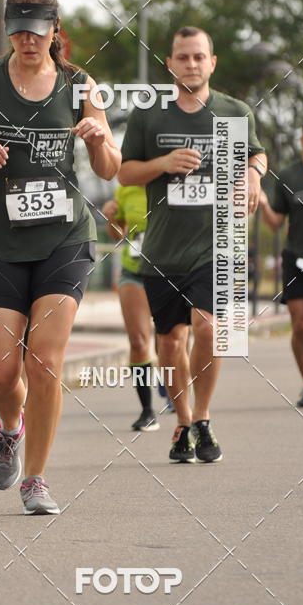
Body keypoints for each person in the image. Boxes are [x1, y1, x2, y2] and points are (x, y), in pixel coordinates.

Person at [0, 0, 120, 514]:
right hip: (0, 241)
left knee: (43, 365)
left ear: (54, 32)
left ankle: (35, 480)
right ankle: (10, 427)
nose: (28, 41)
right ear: (8, 32)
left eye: (37, 32)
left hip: (65, 239)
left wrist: (97, 139)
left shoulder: (81, 84)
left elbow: (112, 166)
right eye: (18, 31)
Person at [119, 26, 266, 463]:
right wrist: (163, 163)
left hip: (217, 245)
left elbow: (256, 153)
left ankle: (202, 417)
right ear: (171, 63)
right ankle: (181, 421)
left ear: (212, 62)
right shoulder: (150, 116)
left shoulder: (234, 112)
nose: (192, 64)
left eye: (199, 57)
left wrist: (254, 173)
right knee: (169, 344)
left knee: (210, 328)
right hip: (163, 250)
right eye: (183, 57)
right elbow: (125, 174)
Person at [259, 117, 303, 408]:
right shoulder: (288, 176)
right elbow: (274, 223)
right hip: (297, 258)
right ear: (302, 140)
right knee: (300, 325)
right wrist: (260, 201)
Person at [101, 185, 171, 432]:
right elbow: (117, 235)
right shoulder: (126, 189)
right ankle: (147, 410)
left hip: (169, 272)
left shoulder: (171, 180)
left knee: (169, 338)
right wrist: (110, 218)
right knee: (139, 340)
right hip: (134, 271)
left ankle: (172, 381)